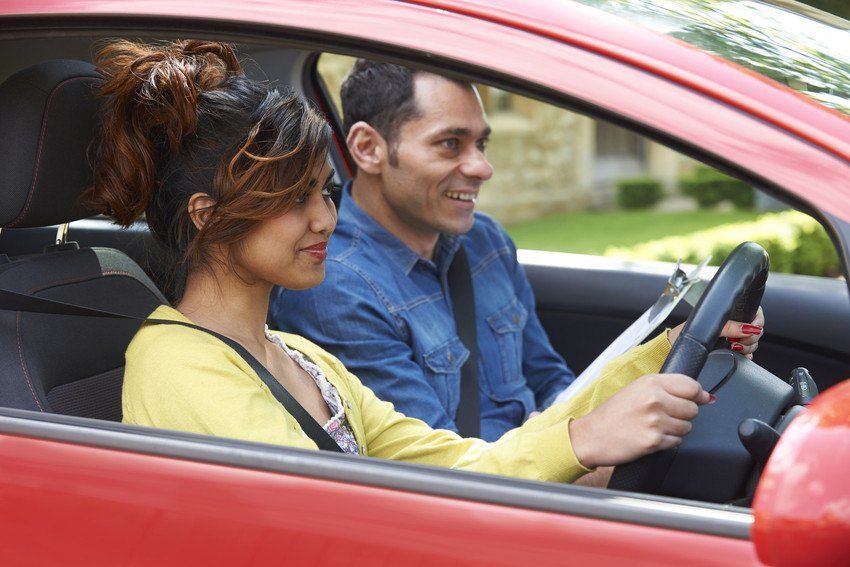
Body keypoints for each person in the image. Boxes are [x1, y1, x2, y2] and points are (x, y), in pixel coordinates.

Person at [91, 39, 758, 485]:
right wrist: (582, 442)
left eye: (323, 191)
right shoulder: (174, 363)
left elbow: (465, 464)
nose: (326, 217)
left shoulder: (301, 358)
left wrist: (662, 355)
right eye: (291, 199)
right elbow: (319, 527)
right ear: (207, 214)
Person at [272, 60, 764, 441]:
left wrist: (670, 361)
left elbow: (551, 381)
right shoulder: (333, 285)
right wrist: (592, 449)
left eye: (481, 144)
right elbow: (438, 470)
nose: (482, 168)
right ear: (367, 148)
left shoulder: (484, 240)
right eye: (450, 144)